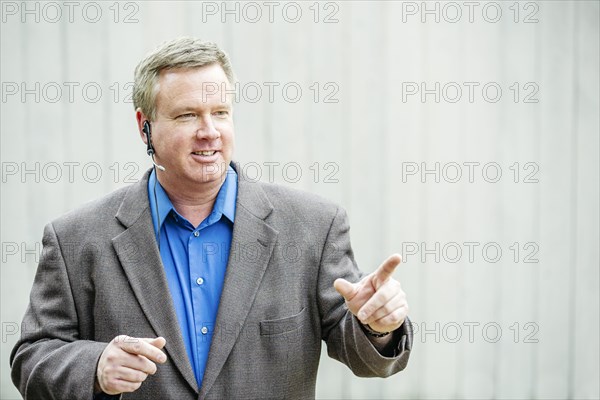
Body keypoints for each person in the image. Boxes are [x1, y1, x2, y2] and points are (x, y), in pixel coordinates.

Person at [10, 37, 413, 400]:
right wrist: (95, 367)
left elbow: (365, 356)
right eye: (187, 115)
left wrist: (376, 327)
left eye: (220, 112)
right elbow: (32, 358)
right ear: (144, 127)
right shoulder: (76, 239)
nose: (209, 132)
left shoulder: (312, 226)